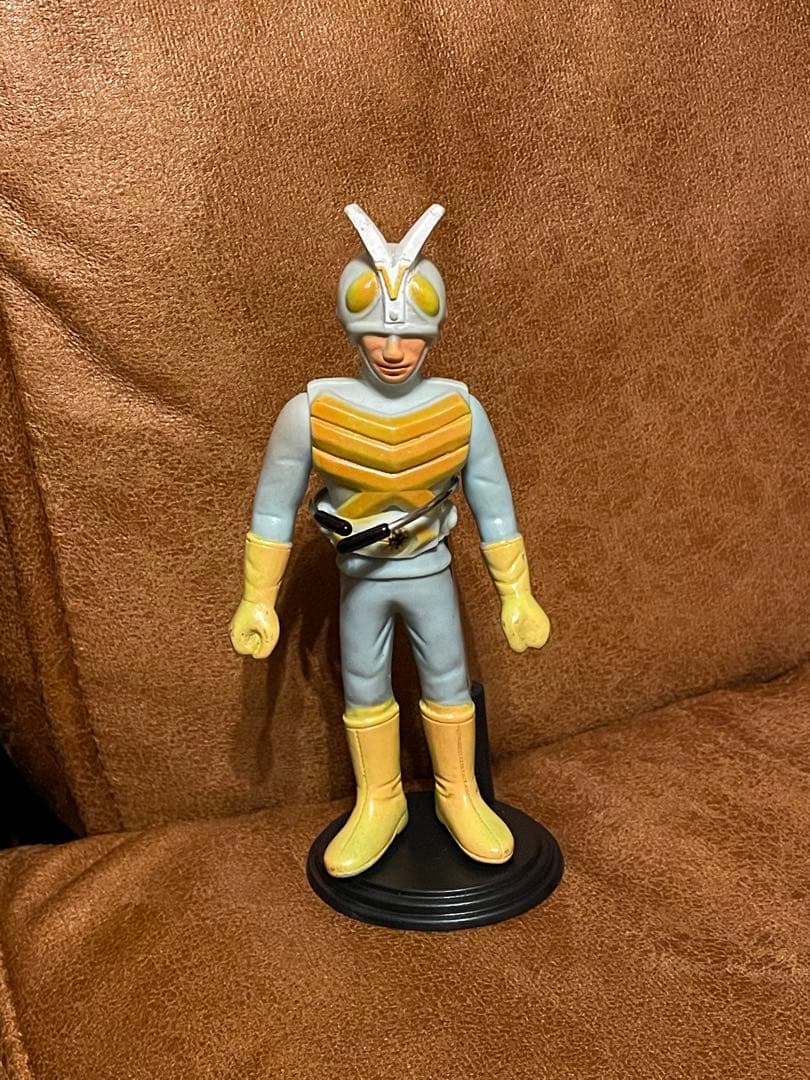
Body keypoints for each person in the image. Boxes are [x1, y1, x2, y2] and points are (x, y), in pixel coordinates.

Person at [230, 203, 550, 878]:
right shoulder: (311, 413)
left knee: (448, 682)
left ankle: (458, 793)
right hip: (362, 580)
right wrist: (258, 599)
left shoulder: (460, 411)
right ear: (353, 330)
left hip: (430, 574)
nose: (394, 351)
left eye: (408, 335)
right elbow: (273, 509)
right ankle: (380, 800)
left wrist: (517, 594)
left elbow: (494, 506)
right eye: (377, 333)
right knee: (364, 687)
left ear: (432, 333)